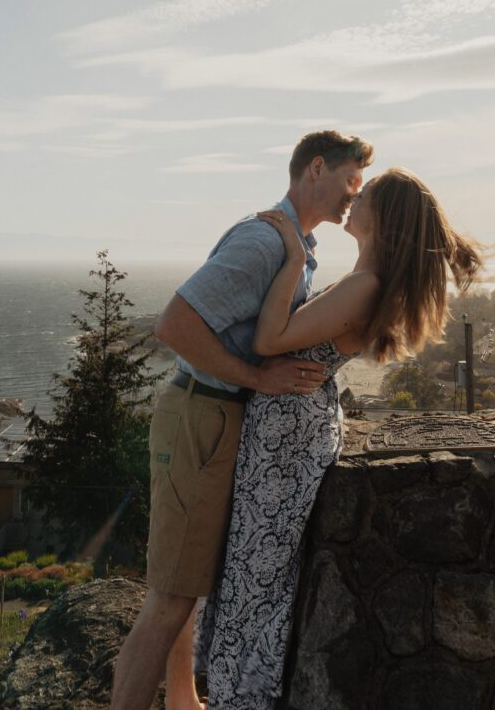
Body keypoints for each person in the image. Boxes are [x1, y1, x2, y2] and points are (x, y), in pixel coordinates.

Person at [195, 167, 485, 710]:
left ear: (385, 218)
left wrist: (296, 257)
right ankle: (238, 691)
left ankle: (242, 697)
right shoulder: (367, 281)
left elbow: (269, 338)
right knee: (259, 568)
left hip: (288, 436)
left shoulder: (364, 286)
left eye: (366, 194)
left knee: (258, 574)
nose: (355, 198)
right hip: (294, 426)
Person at [110, 129, 374, 710]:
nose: (355, 193)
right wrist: (258, 379)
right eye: (350, 178)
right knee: (170, 597)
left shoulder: (297, 246)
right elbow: (174, 326)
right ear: (316, 169)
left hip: (220, 418)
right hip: (204, 414)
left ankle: (183, 700)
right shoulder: (263, 242)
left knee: (189, 584)